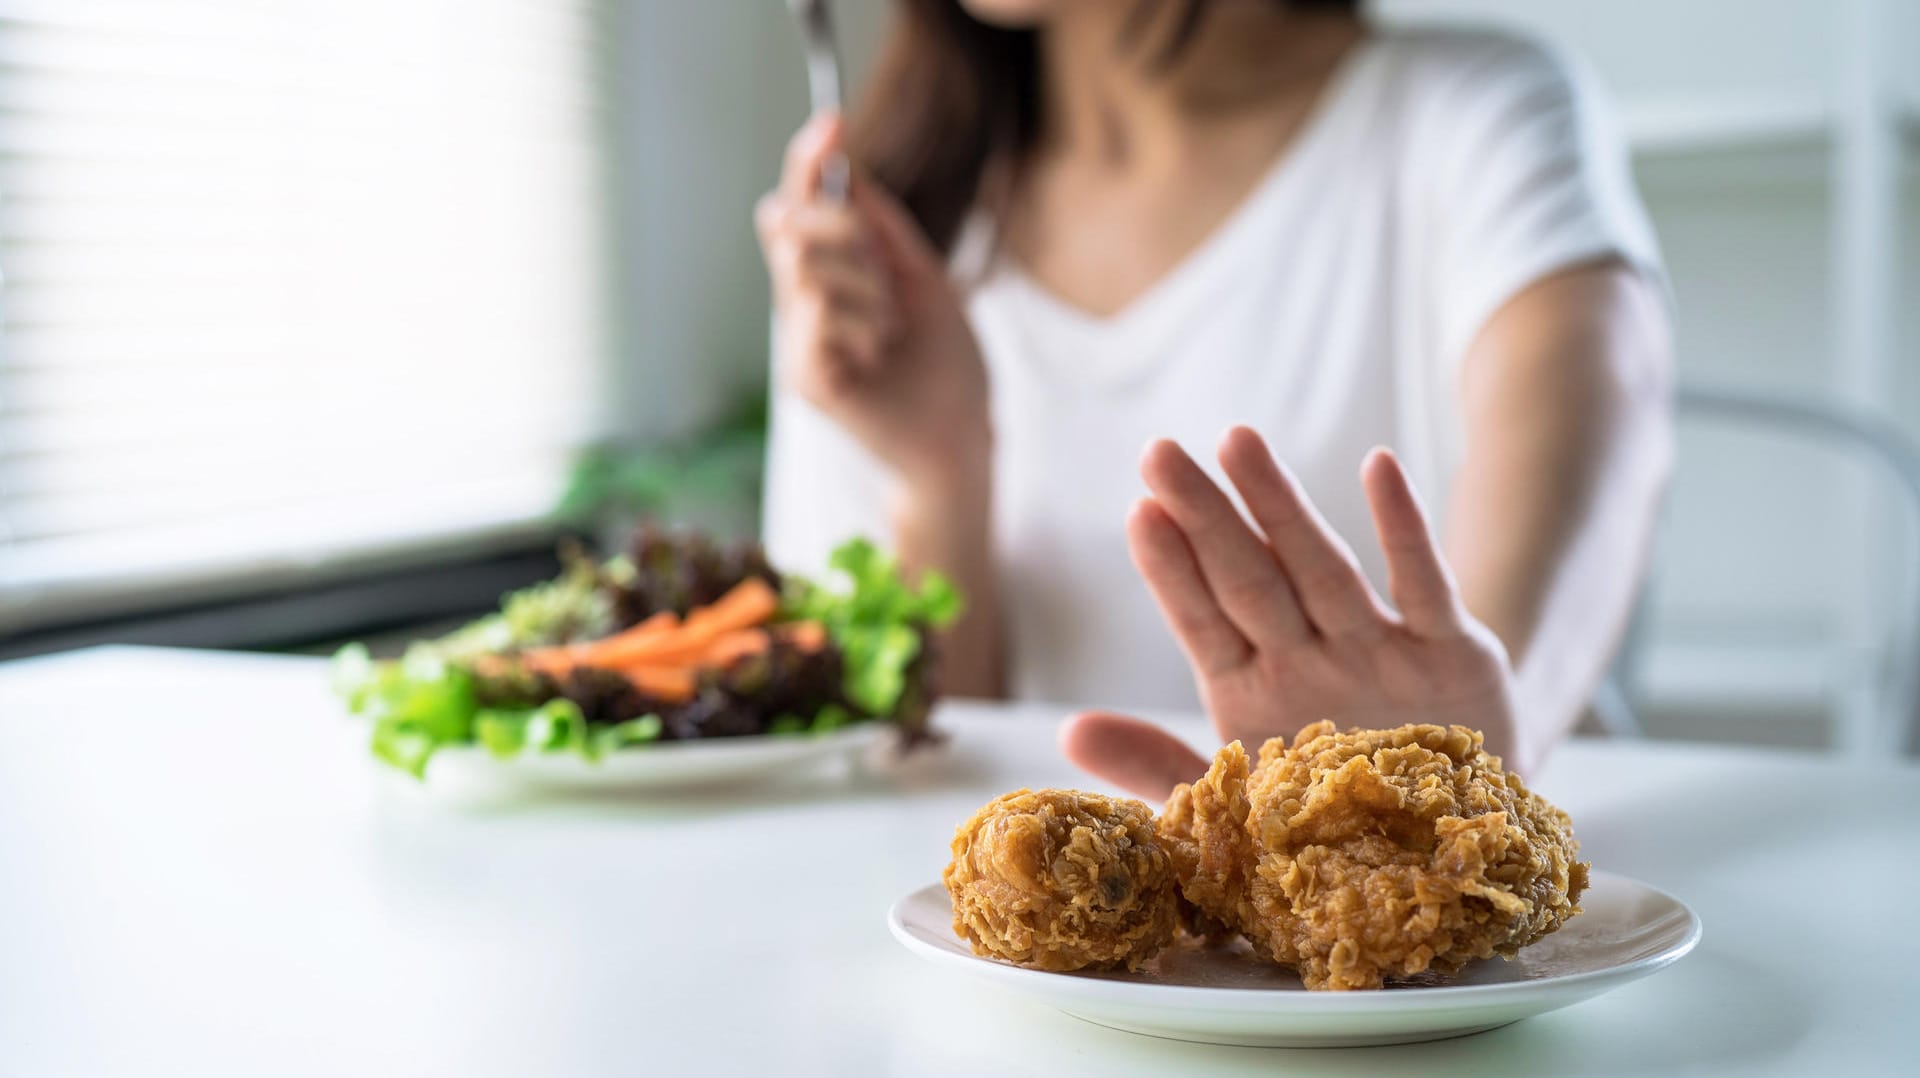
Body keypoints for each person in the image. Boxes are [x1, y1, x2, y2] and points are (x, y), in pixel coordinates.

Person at [756, 0, 1672, 799]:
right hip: (1086, 981)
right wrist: (938, 476)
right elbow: (920, 772)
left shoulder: (1476, 111)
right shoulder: (883, 238)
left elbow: (1606, 427)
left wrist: (1466, 765)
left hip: (1458, 969)